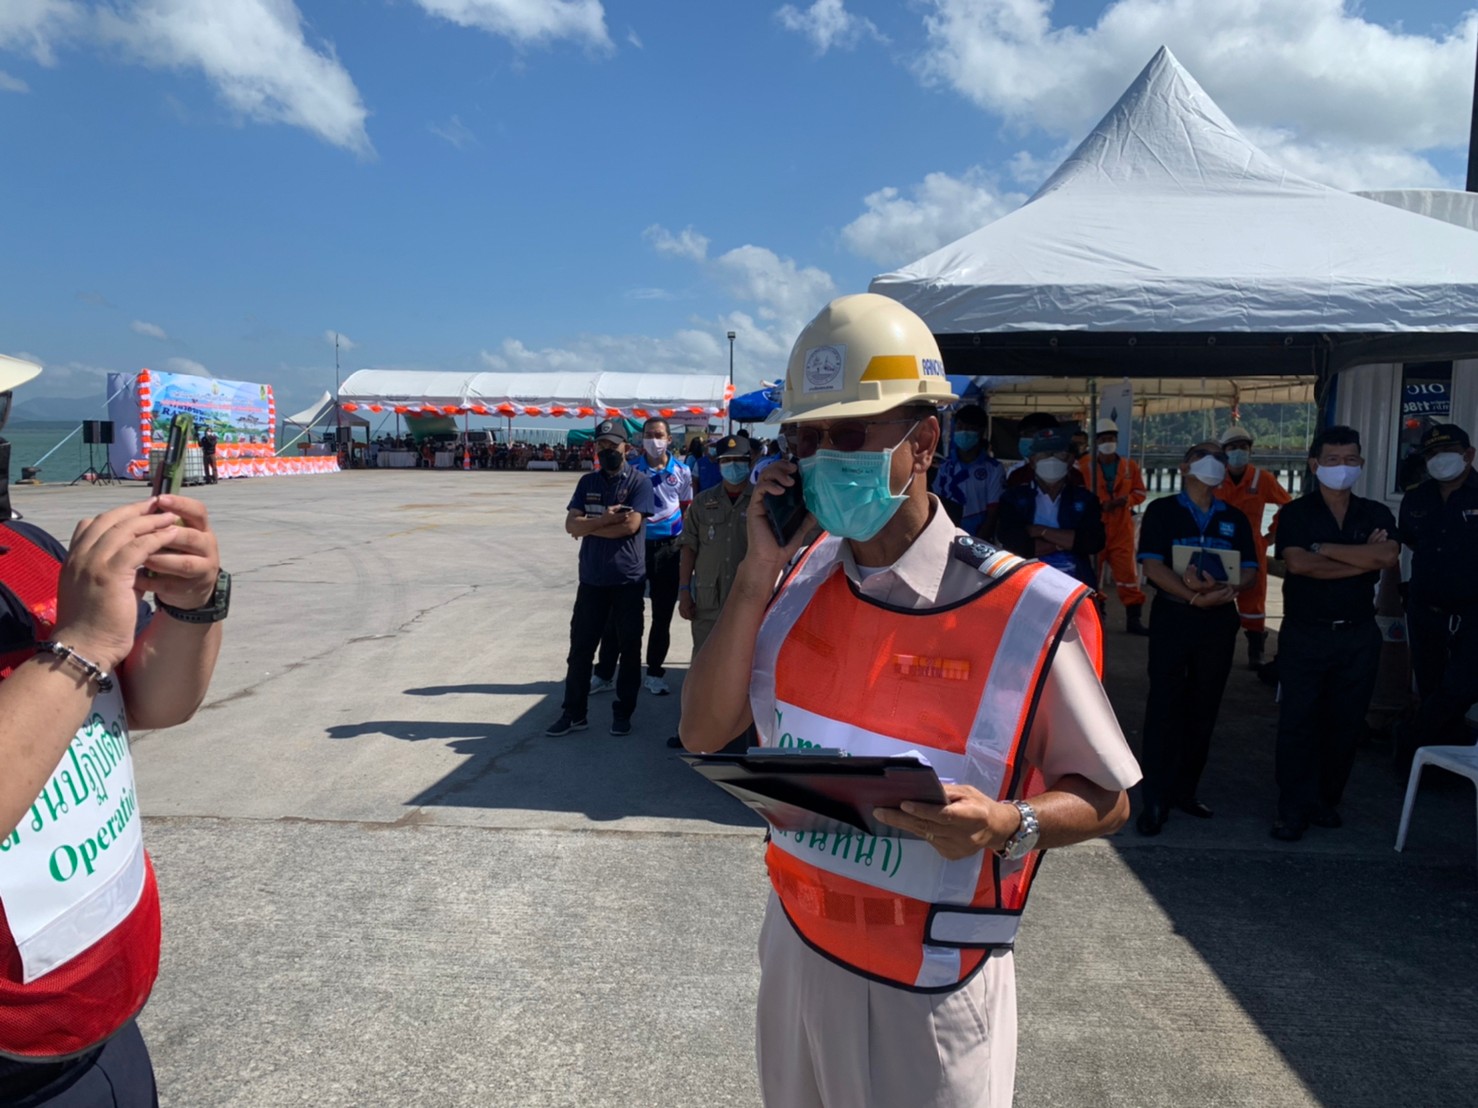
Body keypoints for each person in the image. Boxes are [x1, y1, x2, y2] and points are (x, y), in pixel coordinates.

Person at [679, 293, 1138, 1108]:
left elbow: (1108, 799)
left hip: (934, 989)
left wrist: (1008, 823)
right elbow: (704, 733)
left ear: (923, 442)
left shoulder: (1026, 609)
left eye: (849, 435)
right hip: (796, 950)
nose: (822, 458)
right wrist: (752, 576)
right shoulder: (789, 581)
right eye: (805, 439)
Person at [0, 354, 228, 1106]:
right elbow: (90, 659)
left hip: (98, 1011)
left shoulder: (26, 547)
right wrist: (81, 646)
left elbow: (153, 703)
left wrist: (193, 603)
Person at [1271, 426, 1399, 841]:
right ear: (1315, 465)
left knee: (1346, 722)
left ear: (1361, 463)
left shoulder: (1374, 513)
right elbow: (1299, 565)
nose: (1342, 467)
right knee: (1298, 721)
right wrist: (1362, 560)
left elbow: (1388, 555)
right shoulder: (1295, 513)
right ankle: (1292, 807)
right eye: (1332, 460)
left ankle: (1325, 799)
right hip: (1305, 633)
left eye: (1350, 460)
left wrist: (1324, 548)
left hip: (1358, 635)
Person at [1133, 441, 1260, 835]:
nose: (1214, 461)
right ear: (1184, 467)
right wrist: (1190, 595)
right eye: (1203, 455)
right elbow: (1152, 565)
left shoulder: (1234, 517)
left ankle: (1185, 790)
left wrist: (1231, 588)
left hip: (1218, 620)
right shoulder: (1162, 511)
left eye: (1220, 457)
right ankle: (1155, 797)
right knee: (1164, 703)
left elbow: (1250, 569)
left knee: (1205, 705)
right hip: (1174, 615)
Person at [547, 420, 654, 738]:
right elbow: (570, 525)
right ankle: (574, 713)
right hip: (592, 580)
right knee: (580, 650)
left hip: (627, 581)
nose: (607, 451)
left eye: (612, 445)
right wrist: (605, 519)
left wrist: (589, 526)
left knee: (629, 649)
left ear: (626, 447)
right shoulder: (587, 482)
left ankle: (623, 713)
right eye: (601, 446)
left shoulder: (639, 483)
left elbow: (630, 527)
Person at [591, 417, 692, 699]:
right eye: (649, 434)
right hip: (634, 547)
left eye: (659, 435)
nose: (653, 440)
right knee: (618, 613)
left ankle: (655, 673)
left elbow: (686, 508)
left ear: (669, 439)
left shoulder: (682, 471)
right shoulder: (631, 469)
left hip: (669, 550)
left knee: (662, 615)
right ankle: (605, 673)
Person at [1396, 423, 1478, 765]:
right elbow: (1411, 542)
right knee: (1430, 685)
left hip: (1473, 613)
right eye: (1431, 453)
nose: (1439, 459)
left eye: (1448, 451)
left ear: (1468, 454)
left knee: (1463, 685)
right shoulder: (1416, 497)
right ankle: (1437, 761)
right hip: (1425, 609)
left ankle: (1409, 744)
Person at [667, 435, 753, 749]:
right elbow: (689, 547)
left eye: (739, 461)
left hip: (749, 602)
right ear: (718, 464)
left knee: (747, 669)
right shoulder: (703, 502)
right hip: (708, 599)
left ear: (750, 463)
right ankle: (692, 730)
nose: (734, 467)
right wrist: (684, 590)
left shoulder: (763, 501)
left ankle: (743, 733)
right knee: (702, 667)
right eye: (727, 461)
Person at [1214, 424, 1292, 668]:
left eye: (1243, 446)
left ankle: (1256, 648)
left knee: (1254, 599)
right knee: (1215, 591)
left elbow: (1288, 507)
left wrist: (1272, 535)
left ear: (1250, 450)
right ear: (1224, 451)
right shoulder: (1214, 477)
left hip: (1252, 546)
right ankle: (1212, 647)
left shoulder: (1262, 479)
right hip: (1218, 545)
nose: (1239, 451)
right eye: (1233, 447)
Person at [997, 429, 1106, 590]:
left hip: (1074, 584)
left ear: (1070, 460)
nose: (1052, 459)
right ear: (1032, 461)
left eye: (1058, 454)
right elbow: (1014, 543)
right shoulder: (1013, 498)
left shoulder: (1086, 500)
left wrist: (1040, 531)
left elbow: (1092, 542)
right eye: (1045, 454)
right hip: (1024, 584)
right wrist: (1065, 542)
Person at [1079, 419, 1149, 634]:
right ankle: (1097, 616)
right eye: (1103, 439)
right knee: (1093, 574)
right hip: (1095, 526)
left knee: (1128, 575)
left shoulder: (1130, 466)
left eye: (1110, 438)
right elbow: (1078, 494)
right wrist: (1101, 504)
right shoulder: (1085, 465)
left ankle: (1134, 618)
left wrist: (1126, 501)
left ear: (1116, 440)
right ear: (1096, 441)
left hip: (1121, 528)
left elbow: (1140, 492)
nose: (1107, 442)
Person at [933, 404, 1004, 539]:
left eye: (970, 428)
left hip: (978, 537)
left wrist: (978, 542)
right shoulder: (944, 466)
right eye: (960, 427)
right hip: (946, 534)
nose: (964, 432)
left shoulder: (994, 468)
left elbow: (993, 513)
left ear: (981, 431)